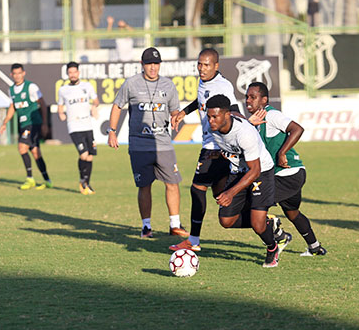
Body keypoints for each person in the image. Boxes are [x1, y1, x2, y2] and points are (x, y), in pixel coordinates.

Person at [107, 47, 188, 239]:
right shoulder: (131, 84)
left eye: (156, 64)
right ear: (142, 65)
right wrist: (112, 132)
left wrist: (176, 118)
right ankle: (146, 227)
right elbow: (117, 106)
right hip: (139, 145)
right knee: (144, 186)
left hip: (163, 144)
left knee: (173, 183)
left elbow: (174, 110)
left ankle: (175, 225)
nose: (153, 68)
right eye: (149, 64)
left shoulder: (169, 85)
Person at [245, 82, 327, 257]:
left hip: (288, 174)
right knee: (293, 213)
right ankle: (315, 247)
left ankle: (279, 235)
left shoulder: (272, 115)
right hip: (287, 175)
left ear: (264, 99)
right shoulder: (257, 122)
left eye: (253, 97)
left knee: (254, 204)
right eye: (247, 97)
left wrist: (283, 152)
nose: (248, 101)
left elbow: (297, 129)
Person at [169, 48, 239, 252]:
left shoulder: (223, 86)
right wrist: (184, 112)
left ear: (216, 66)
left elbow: (233, 110)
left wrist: (230, 142)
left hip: (216, 146)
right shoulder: (204, 81)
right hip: (211, 144)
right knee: (222, 198)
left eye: (206, 65)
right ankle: (267, 223)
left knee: (197, 189)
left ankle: (194, 240)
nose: (201, 68)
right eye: (199, 64)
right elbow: (201, 102)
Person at [205, 94, 281, 268]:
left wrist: (230, 192)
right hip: (237, 172)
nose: (210, 121)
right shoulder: (213, 129)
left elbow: (255, 170)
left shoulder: (245, 134)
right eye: (209, 116)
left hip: (261, 171)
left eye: (214, 116)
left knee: (257, 223)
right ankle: (268, 223)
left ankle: (272, 247)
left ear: (226, 115)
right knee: (226, 221)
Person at [0, 63, 51, 190]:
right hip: (23, 124)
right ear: (11, 75)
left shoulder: (31, 87)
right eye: (14, 73)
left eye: (19, 73)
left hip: (33, 123)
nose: (17, 76)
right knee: (35, 152)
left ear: (24, 73)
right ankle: (47, 180)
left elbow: (42, 104)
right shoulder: (11, 90)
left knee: (22, 147)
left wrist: (45, 123)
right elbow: (13, 107)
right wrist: (5, 122)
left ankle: (30, 179)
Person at [58, 61, 99, 194]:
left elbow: (96, 100)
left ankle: (86, 183)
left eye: (75, 72)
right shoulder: (63, 90)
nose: (73, 74)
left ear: (78, 73)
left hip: (87, 124)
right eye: (70, 72)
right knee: (84, 154)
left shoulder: (87, 86)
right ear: (67, 74)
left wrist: (94, 107)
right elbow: (60, 105)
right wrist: (61, 113)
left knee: (90, 156)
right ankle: (83, 181)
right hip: (74, 125)